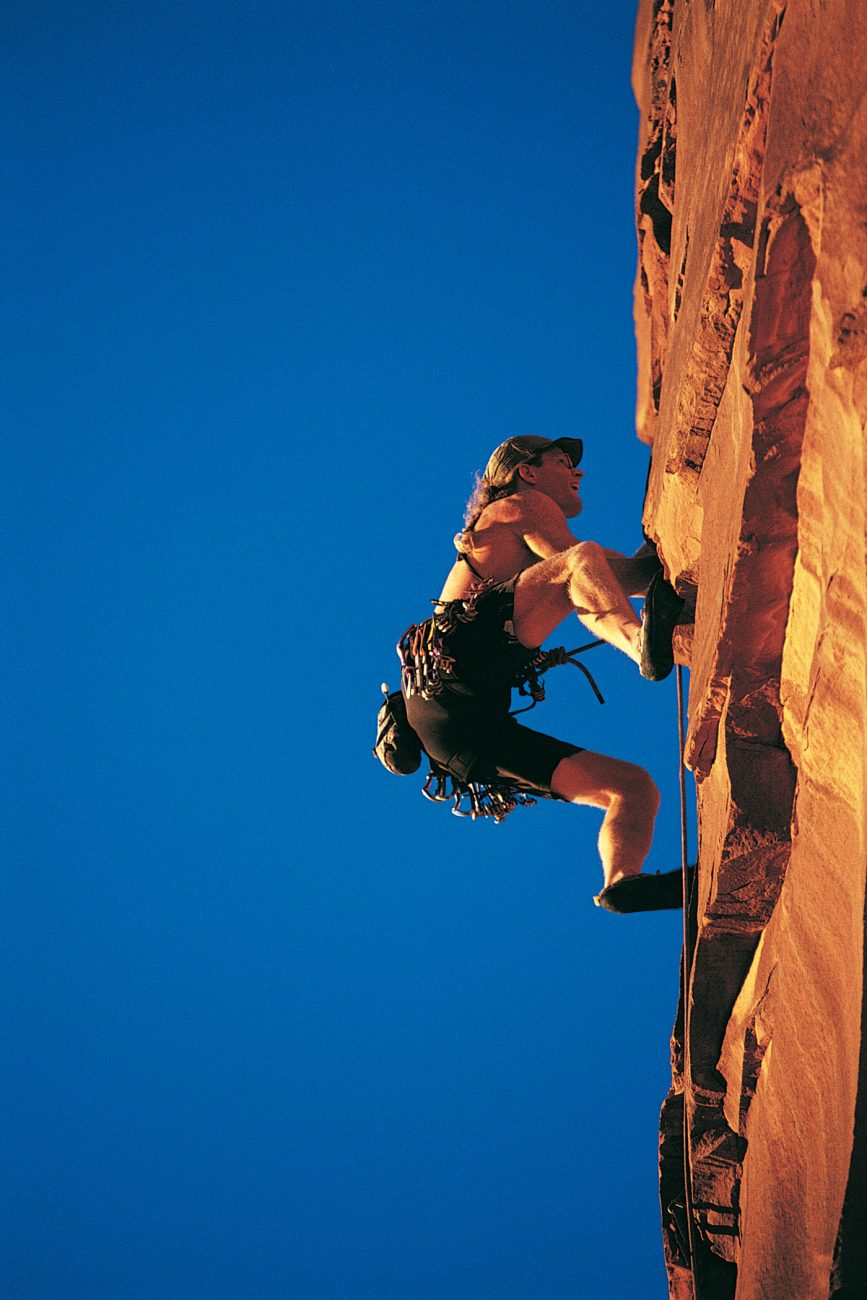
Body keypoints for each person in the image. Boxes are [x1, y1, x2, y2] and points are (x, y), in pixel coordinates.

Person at [401, 434, 687, 914]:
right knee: (578, 564)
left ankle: (623, 882)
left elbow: (608, 577)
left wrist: (662, 555)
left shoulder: (523, 528)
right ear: (527, 472)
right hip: (455, 670)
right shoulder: (519, 503)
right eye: (562, 461)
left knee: (632, 788)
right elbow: (581, 566)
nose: (577, 471)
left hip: (456, 733)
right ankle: (642, 648)